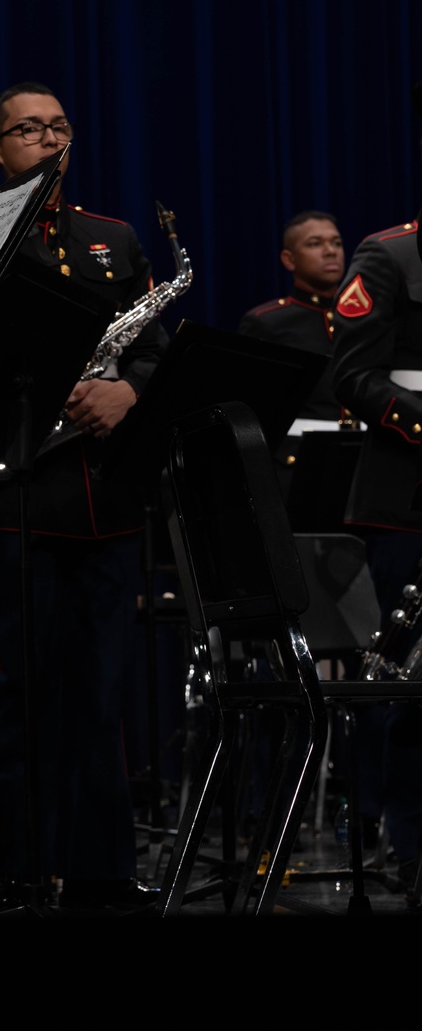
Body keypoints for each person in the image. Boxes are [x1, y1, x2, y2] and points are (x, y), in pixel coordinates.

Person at [0, 81, 167, 911]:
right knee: (21, 690)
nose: (46, 140)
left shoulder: (112, 239)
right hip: (19, 494)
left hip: (109, 497)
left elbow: (154, 353)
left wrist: (130, 395)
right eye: (26, 129)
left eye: (58, 127)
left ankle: (99, 870)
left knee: (101, 690)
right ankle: (14, 867)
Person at [332, 217, 422, 885]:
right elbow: (354, 376)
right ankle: (412, 844)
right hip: (408, 497)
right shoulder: (390, 254)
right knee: (407, 687)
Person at [238, 211, 353, 502]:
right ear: (289, 259)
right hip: (296, 462)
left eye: (336, 243)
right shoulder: (268, 322)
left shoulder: (364, 318)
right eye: (315, 244)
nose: (330, 251)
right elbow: (253, 407)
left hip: (360, 461)